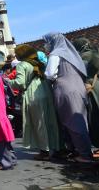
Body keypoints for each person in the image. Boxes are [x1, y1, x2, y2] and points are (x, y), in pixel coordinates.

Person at [43, 32, 93, 163]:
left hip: (65, 89)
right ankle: (82, 151)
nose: (45, 46)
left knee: (73, 122)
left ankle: (84, 154)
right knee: (80, 120)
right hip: (79, 87)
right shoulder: (72, 54)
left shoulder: (56, 54)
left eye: (46, 42)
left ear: (52, 42)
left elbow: (50, 74)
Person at [8, 44, 59, 160]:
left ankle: (44, 151)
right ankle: (56, 147)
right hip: (46, 92)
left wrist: (7, 82)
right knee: (49, 121)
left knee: (38, 123)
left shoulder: (22, 65)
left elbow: (20, 83)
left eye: (17, 53)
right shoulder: (40, 64)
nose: (16, 55)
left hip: (34, 94)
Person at [72, 37, 99, 157]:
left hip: (91, 87)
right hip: (95, 84)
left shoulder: (86, 56)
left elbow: (81, 72)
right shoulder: (95, 52)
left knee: (95, 115)